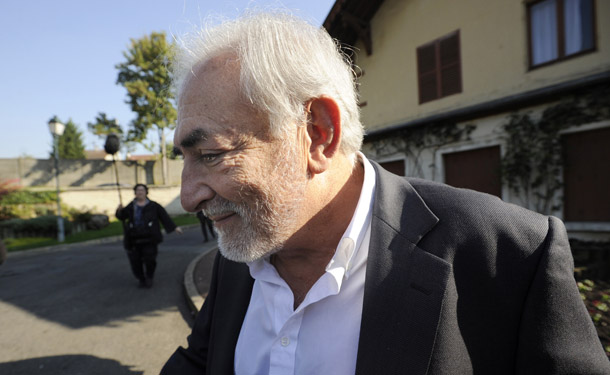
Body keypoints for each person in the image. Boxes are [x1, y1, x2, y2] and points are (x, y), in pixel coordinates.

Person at [162, 11, 610, 374]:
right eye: (186, 158)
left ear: (317, 133)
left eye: (212, 154)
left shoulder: (509, 255)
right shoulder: (243, 249)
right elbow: (202, 361)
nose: (188, 197)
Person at [116, 184, 182, 288]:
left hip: (150, 239)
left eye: (142, 190)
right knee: (135, 262)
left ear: (146, 192)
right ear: (135, 193)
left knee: (150, 259)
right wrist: (119, 210)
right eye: (138, 190)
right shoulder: (131, 206)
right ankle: (141, 278)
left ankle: (149, 277)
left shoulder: (153, 206)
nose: (140, 192)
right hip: (134, 239)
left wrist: (174, 227)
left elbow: (164, 216)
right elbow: (122, 217)